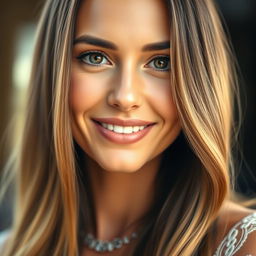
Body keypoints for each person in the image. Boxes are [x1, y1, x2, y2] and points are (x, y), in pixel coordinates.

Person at [0, 0, 256, 255]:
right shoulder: (9, 248)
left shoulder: (245, 245)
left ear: (199, 81)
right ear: (54, 73)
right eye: (96, 57)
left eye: (161, 63)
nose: (125, 97)